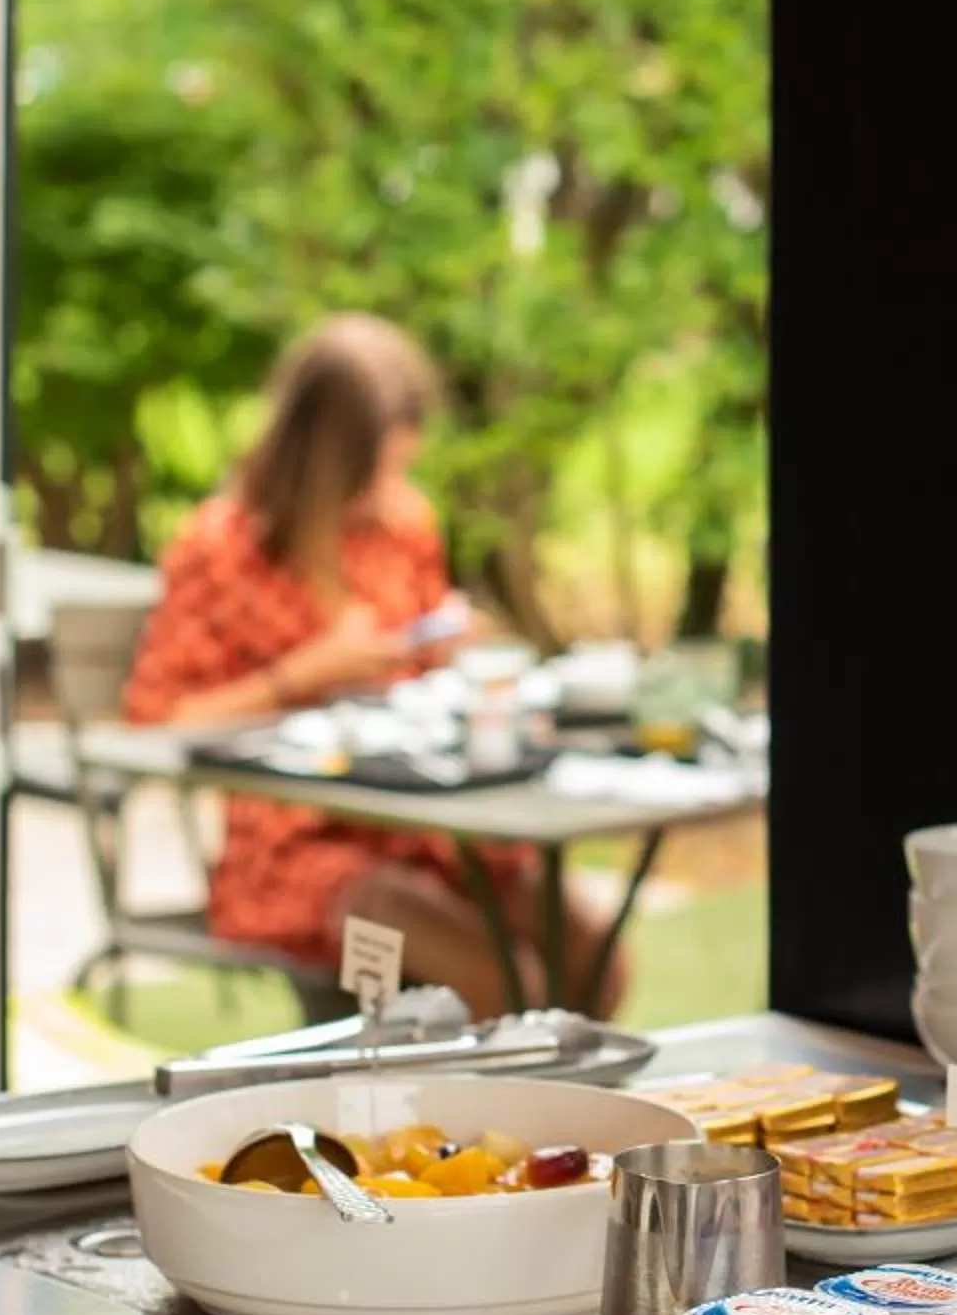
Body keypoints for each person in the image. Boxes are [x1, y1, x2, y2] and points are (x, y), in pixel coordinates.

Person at [124, 314, 624, 1015]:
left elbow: (425, 670)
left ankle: (567, 1115)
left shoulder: (402, 525)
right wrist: (305, 672)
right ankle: (483, 1118)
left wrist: (451, 651)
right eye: (374, 469)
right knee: (506, 983)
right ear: (325, 457)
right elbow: (155, 718)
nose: (388, 487)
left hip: (434, 831)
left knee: (595, 954)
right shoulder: (223, 549)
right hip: (298, 852)